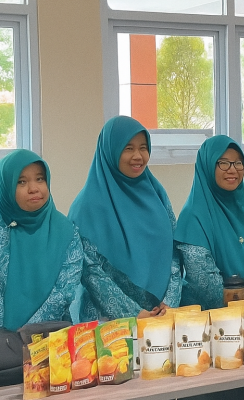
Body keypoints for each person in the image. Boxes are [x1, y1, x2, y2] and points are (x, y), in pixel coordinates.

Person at [0, 150, 82, 337]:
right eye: (21, 182)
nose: (33, 188)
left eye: (40, 179)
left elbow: (63, 293)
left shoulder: (66, 231)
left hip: (49, 337)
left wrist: (27, 334)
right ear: (6, 185)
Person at [69, 116, 181, 321]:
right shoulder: (87, 206)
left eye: (143, 148)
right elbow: (91, 273)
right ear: (110, 150)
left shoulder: (157, 194)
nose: (138, 156)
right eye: (128, 148)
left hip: (162, 315)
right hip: (110, 324)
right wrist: (133, 314)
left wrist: (170, 302)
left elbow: (175, 250)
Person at [175, 136, 244, 310]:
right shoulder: (194, 215)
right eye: (223, 163)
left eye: (238, 163)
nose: (232, 170)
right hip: (213, 317)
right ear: (208, 166)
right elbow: (204, 283)